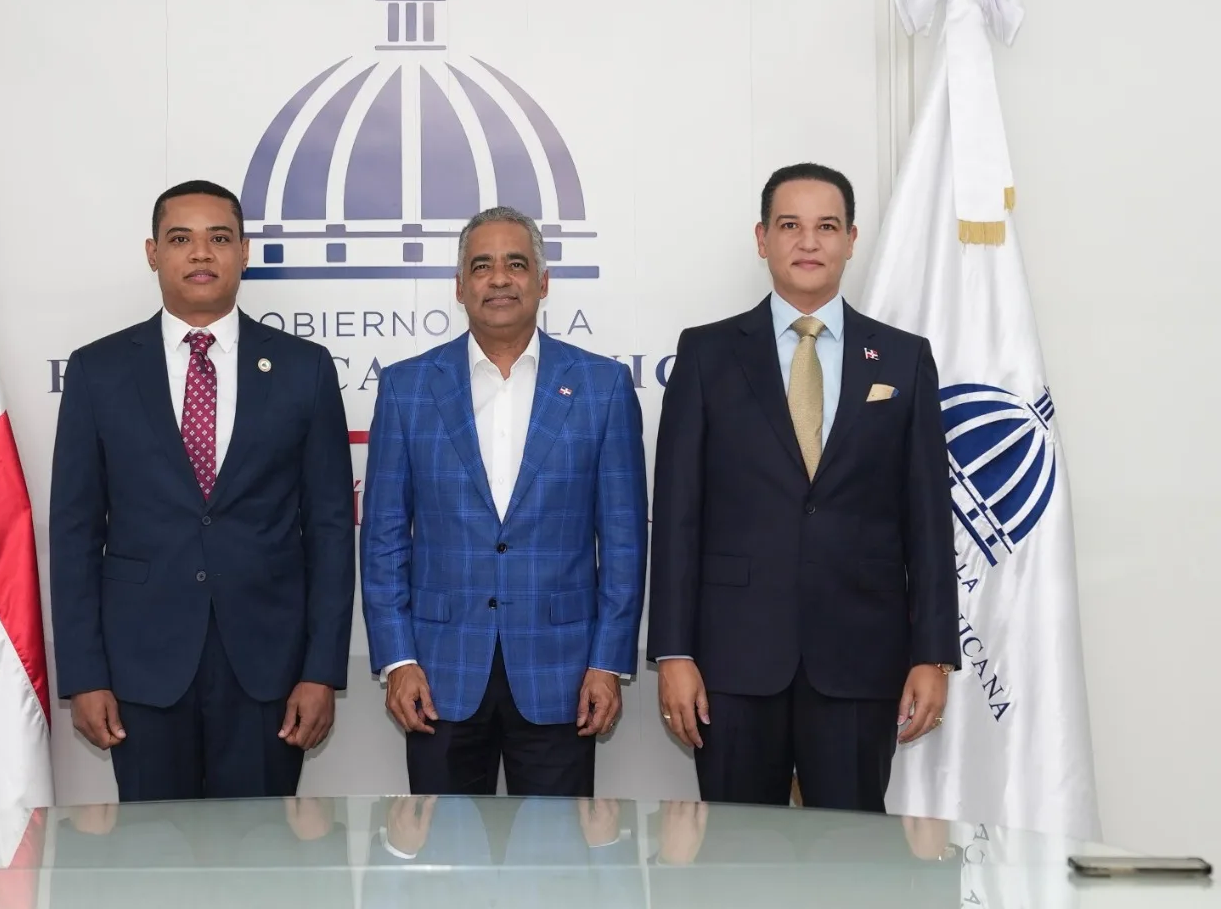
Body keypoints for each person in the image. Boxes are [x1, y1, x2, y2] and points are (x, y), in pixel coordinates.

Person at [648, 162, 959, 812]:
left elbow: (928, 520)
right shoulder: (706, 355)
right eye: (790, 226)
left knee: (851, 865)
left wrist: (933, 654)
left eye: (826, 227)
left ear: (851, 238)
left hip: (860, 661)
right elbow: (678, 519)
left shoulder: (904, 359)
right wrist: (673, 652)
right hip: (731, 666)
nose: (808, 242)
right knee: (734, 862)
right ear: (762, 239)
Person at [49, 179, 355, 801]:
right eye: (180, 239)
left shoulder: (305, 369)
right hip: (141, 668)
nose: (200, 254)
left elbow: (328, 528)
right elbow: (75, 532)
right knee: (153, 868)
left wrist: (321, 671)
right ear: (152, 253)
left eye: (218, 238)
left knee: (263, 865)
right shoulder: (97, 370)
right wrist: (84, 675)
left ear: (244, 252)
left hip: (269, 670)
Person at [361, 206, 649, 797]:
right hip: (437, 674)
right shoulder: (407, 387)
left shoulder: (602, 386)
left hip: (564, 674)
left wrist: (607, 661)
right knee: (444, 869)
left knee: (554, 869)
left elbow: (622, 539)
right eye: (482, 266)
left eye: (516, 264)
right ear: (460, 285)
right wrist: (397, 660)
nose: (499, 279)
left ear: (542, 282)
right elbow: (384, 537)